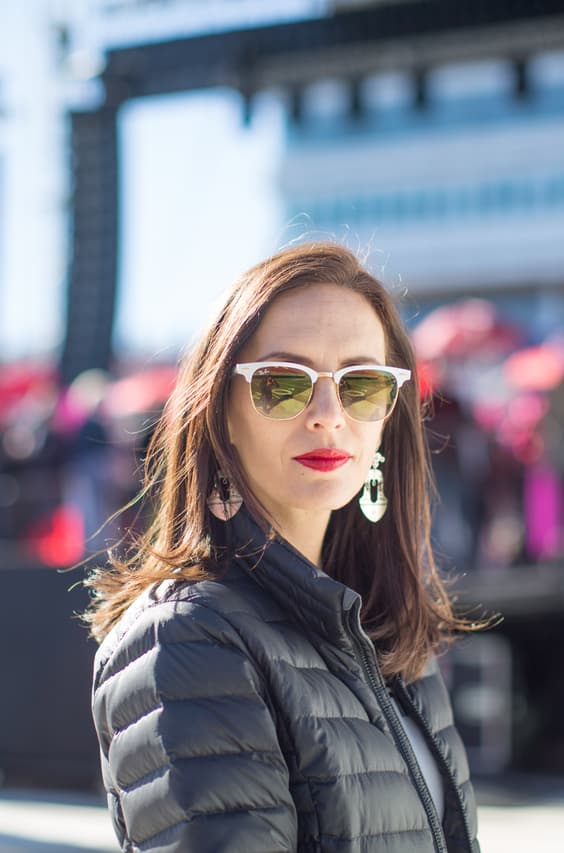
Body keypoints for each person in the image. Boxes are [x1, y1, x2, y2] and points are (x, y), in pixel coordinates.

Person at [87, 243, 482, 852]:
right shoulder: (188, 635)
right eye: (282, 384)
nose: (328, 415)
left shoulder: (390, 632)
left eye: (362, 384)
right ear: (221, 413)